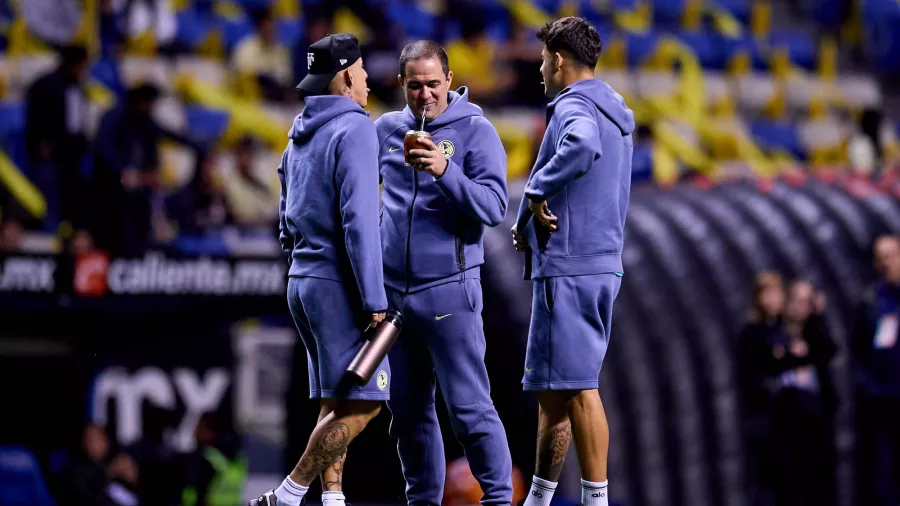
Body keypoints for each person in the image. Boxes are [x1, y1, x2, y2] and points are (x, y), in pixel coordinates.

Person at [249, 33, 388, 506]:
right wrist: (373, 299)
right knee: (367, 402)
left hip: (303, 281)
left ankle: (333, 497)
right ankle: (290, 492)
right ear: (347, 76)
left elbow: (285, 218)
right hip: (339, 286)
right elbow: (360, 222)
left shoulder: (298, 132)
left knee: (335, 400)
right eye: (363, 71)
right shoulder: (356, 129)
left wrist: (302, 267)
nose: (368, 80)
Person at [375, 40, 512, 505]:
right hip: (395, 301)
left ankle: (497, 498)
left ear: (449, 81)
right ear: (401, 84)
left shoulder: (477, 131)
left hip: (450, 293)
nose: (425, 94)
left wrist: (444, 169)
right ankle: (422, 502)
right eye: (415, 86)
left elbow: (494, 207)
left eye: (434, 84)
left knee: (470, 410)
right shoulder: (385, 131)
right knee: (409, 415)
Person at [510, 16, 634, 506]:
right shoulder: (615, 109)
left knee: (579, 387)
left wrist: (537, 188)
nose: (541, 68)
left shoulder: (576, 108)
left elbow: (580, 146)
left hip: (572, 267)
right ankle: (540, 497)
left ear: (558, 60)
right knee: (553, 390)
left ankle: (594, 499)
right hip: (589, 264)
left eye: (543, 59)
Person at [852, 234, 900, 506]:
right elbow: (858, 346)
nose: (887, 263)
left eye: (892, 255)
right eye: (881, 257)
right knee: (884, 475)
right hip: (881, 399)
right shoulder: (870, 301)